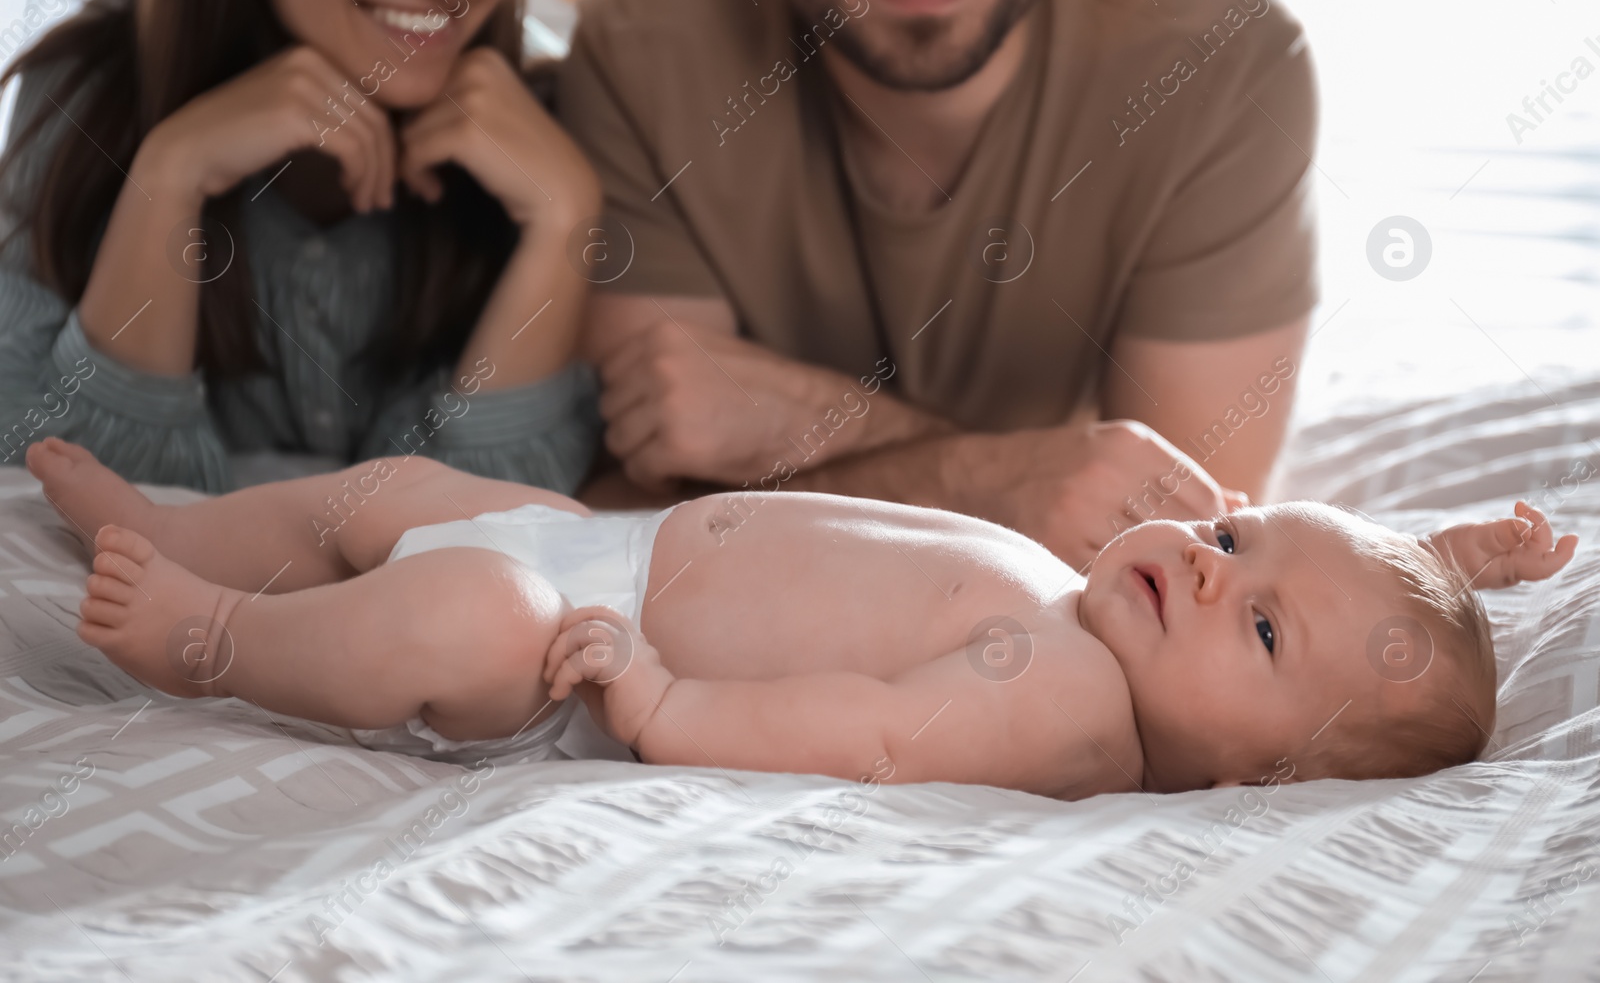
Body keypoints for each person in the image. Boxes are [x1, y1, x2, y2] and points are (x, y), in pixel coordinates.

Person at [27, 436, 1579, 797]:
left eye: (1256, 629)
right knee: (384, 492)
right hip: (613, 539)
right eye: (1233, 530)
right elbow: (1323, 583)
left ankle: (214, 628)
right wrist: (1452, 551)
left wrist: (658, 702)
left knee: (459, 619)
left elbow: (874, 731)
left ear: (1259, 782)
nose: (1217, 559)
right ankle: (172, 521)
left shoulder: (1075, 708)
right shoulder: (1122, 622)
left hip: (574, 642)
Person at [559, 0, 1318, 570]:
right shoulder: (640, 43)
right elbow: (632, 529)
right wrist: (1011, 480)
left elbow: (1176, 561)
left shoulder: (1226, 59)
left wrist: (815, 425)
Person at [0, 0, 599, 493]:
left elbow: (471, 529)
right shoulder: (85, 93)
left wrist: (566, 220)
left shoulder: (574, 109)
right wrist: (171, 175)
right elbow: (84, 498)